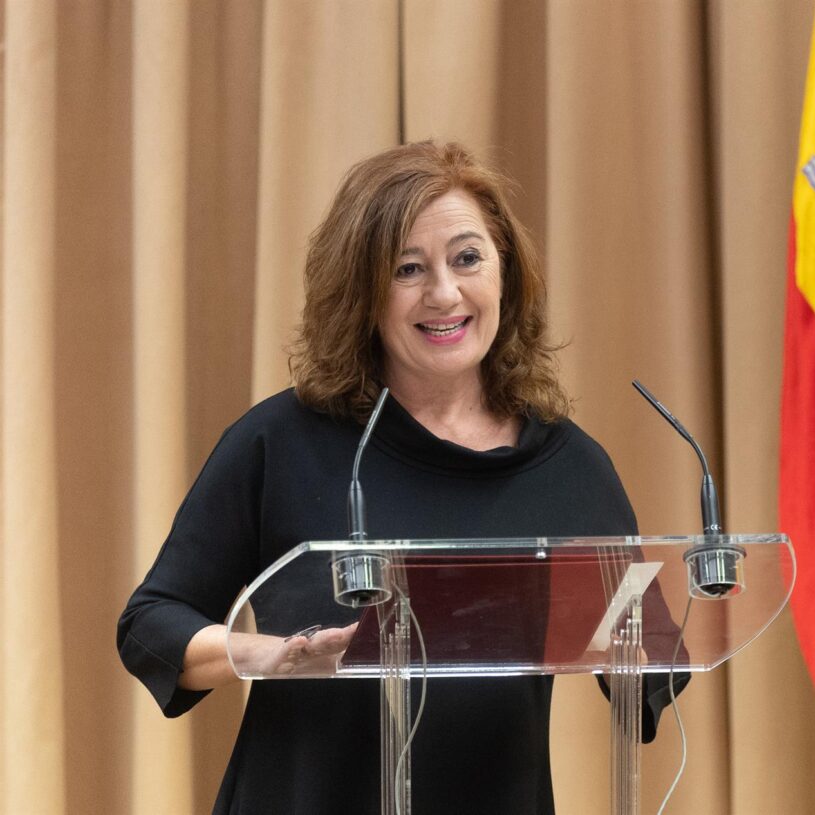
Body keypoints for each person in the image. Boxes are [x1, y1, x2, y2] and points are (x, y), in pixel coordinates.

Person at [118, 140, 683, 814]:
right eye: (407, 268)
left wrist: (634, 647)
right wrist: (268, 654)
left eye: (467, 258)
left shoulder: (570, 468)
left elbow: (650, 667)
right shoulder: (281, 442)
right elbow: (151, 623)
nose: (444, 293)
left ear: (506, 272)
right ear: (363, 293)